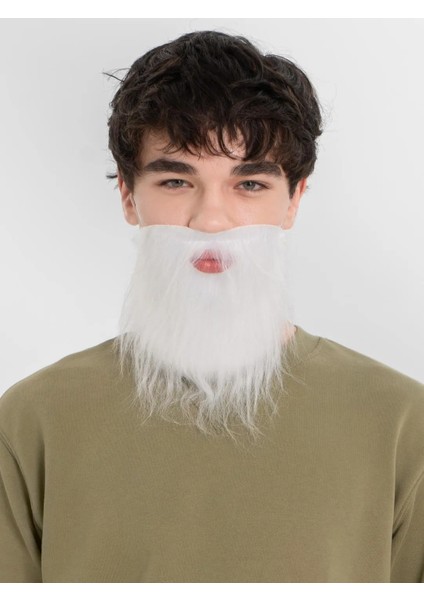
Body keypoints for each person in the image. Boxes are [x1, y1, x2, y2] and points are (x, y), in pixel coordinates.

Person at [0, 30, 423, 584]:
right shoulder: (32, 420)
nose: (212, 220)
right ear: (128, 196)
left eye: (250, 184)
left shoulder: (402, 423)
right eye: (177, 180)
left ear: (294, 200)